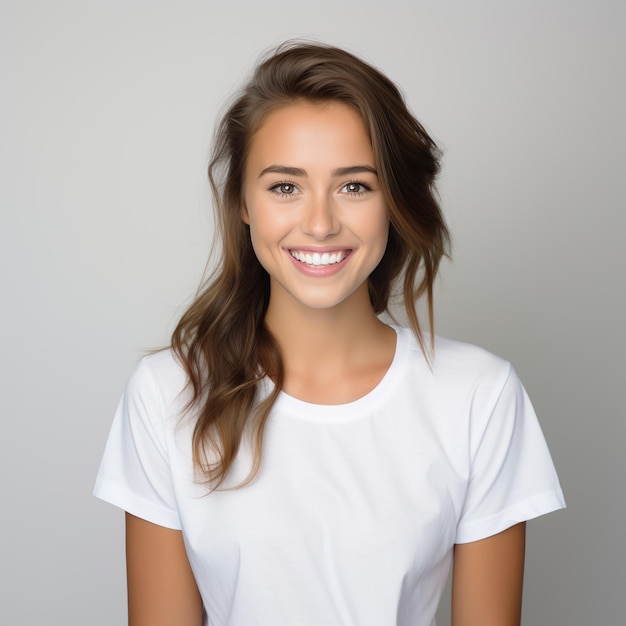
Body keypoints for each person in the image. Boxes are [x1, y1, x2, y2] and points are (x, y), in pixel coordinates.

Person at [94, 41, 565, 626]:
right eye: (285, 187)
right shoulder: (167, 392)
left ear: (393, 201)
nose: (319, 224)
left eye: (355, 186)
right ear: (242, 201)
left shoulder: (479, 396)